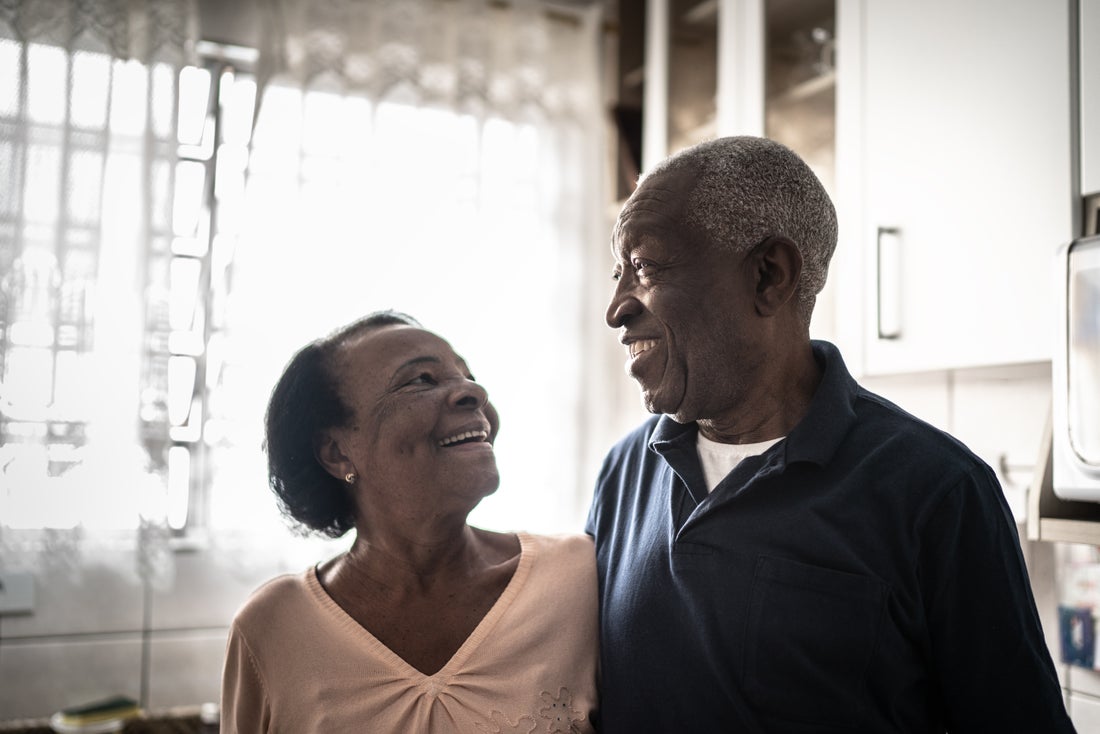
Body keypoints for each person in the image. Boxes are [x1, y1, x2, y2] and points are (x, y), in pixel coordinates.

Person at [585, 136, 1075, 733]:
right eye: (618, 274)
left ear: (770, 276)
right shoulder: (624, 470)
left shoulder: (938, 492)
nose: (615, 308)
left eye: (645, 267)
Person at [221, 310, 598, 733]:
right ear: (337, 452)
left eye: (467, 374)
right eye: (421, 380)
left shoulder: (576, 576)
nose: (473, 391)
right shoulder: (273, 629)